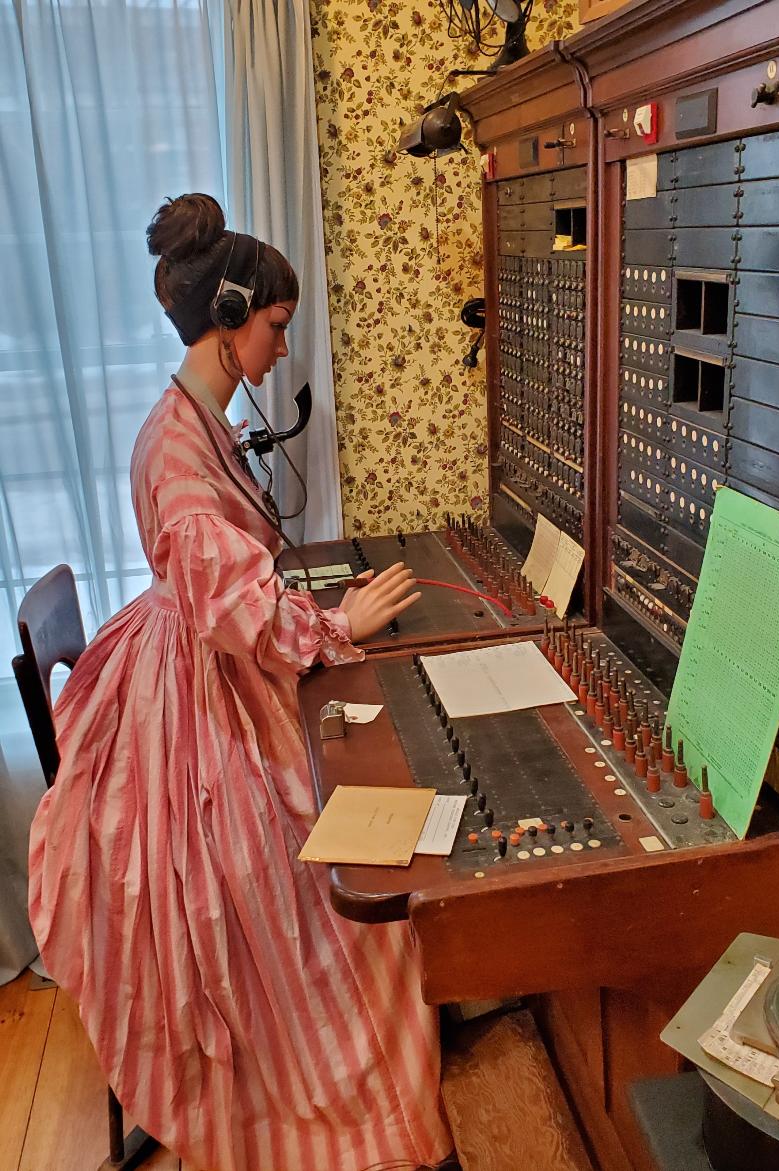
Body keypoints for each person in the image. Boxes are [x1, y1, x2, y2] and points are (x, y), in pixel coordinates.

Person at [29, 194, 453, 1171]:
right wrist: (337, 621)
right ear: (227, 320)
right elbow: (231, 607)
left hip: (180, 664)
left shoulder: (191, 420)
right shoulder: (180, 453)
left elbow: (233, 577)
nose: (277, 350)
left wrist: (319, 602)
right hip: (199, 696)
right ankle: (346, 1116)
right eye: (272, 328)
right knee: (340, 876)